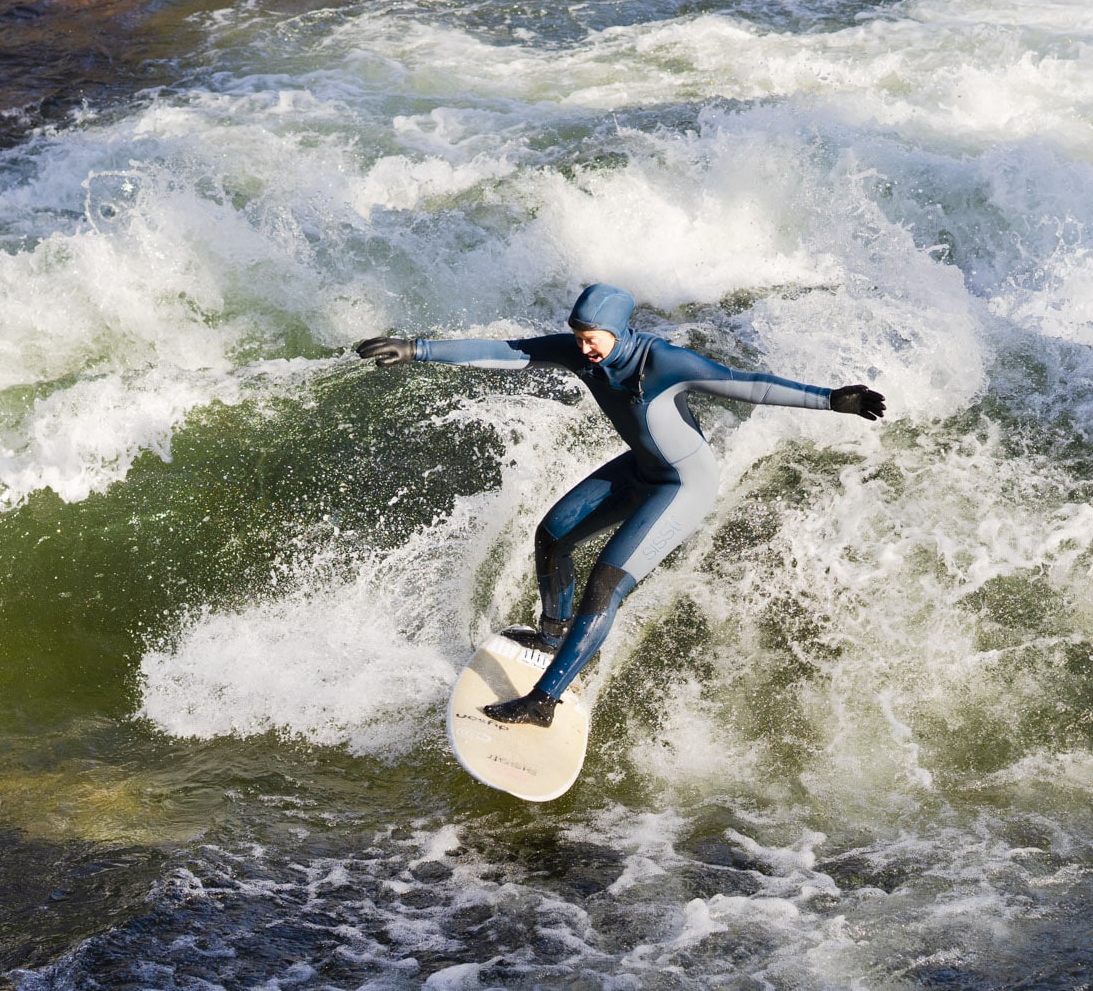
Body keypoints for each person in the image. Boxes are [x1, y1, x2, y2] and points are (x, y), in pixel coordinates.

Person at [356, 284, 886, 728]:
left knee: (605, 583)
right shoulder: (580, 350)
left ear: (619, 330)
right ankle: (553, 633)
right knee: (553, 535)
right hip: (641, 469)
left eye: (593, 339)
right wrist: (418, 349)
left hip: (682, 486)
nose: (585, 348)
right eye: (580, 338)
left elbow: (750, 386)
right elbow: (508, 350)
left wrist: (830, 398)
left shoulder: (664, 361)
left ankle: (543, 702)